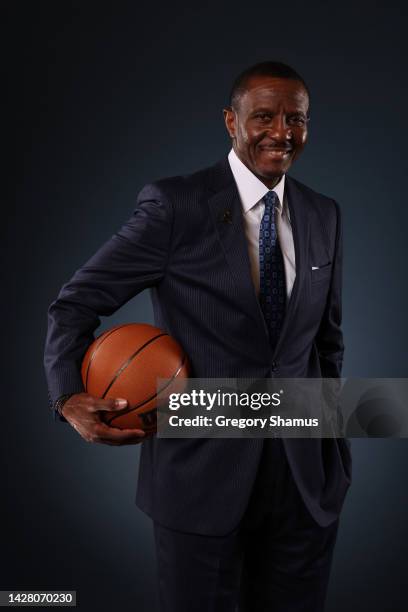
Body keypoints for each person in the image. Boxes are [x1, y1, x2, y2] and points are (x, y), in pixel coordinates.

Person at [44, 61, 352, 611]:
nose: (282, 132)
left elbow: (327, 345)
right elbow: (74, 304)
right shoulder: (175, 206)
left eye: (296, 119)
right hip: (201, 480)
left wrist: (336, 459)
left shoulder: (324, 214)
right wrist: (67, 396)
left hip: (305, 487)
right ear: (231, 121)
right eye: (264, 116)